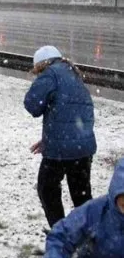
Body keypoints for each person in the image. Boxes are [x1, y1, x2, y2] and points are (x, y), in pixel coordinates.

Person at [24, 45, 96, 229]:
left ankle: (60, 233)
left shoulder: (50, 74)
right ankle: (91, 237)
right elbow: (72, 116)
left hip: (61, 150)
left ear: (40, 65)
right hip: (83, 147)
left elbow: (32, 105)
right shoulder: (74, 76)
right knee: (81, 195)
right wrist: (49, 139)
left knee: (47, 189)